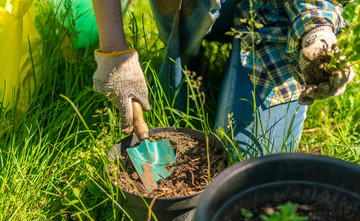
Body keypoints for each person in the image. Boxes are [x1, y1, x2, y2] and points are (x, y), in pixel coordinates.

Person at [91, 0, 353, 159]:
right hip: (204, 3)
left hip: (275, 15)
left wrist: (315, 29)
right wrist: (114, 52)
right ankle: (188, 56)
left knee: (243, 167)